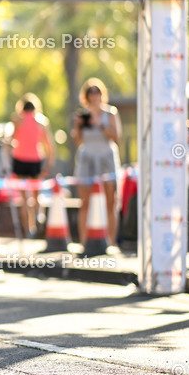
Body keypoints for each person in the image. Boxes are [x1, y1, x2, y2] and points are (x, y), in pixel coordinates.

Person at [71, 77, 122, 249]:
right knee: (84, 202)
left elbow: (116, 137)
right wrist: (78, 127)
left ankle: (111, 242)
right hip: (87, 159)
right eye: (90, 92)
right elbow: (78, 141)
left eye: (97, 91)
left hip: (106, 158)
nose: (94, 95)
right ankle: (84, 242)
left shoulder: (110, 113)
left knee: (110, 202)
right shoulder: (82, 114)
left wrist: (100, 124)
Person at [10, 93, 55, 238]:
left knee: (23, 199)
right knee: (36, 196)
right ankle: (36, 219)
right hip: (35, 161)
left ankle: (28, 229)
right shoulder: (41, 122)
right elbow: (49, 146)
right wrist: (48, 165)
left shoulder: (18, 121)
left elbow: (11, 141)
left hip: (20, 161)